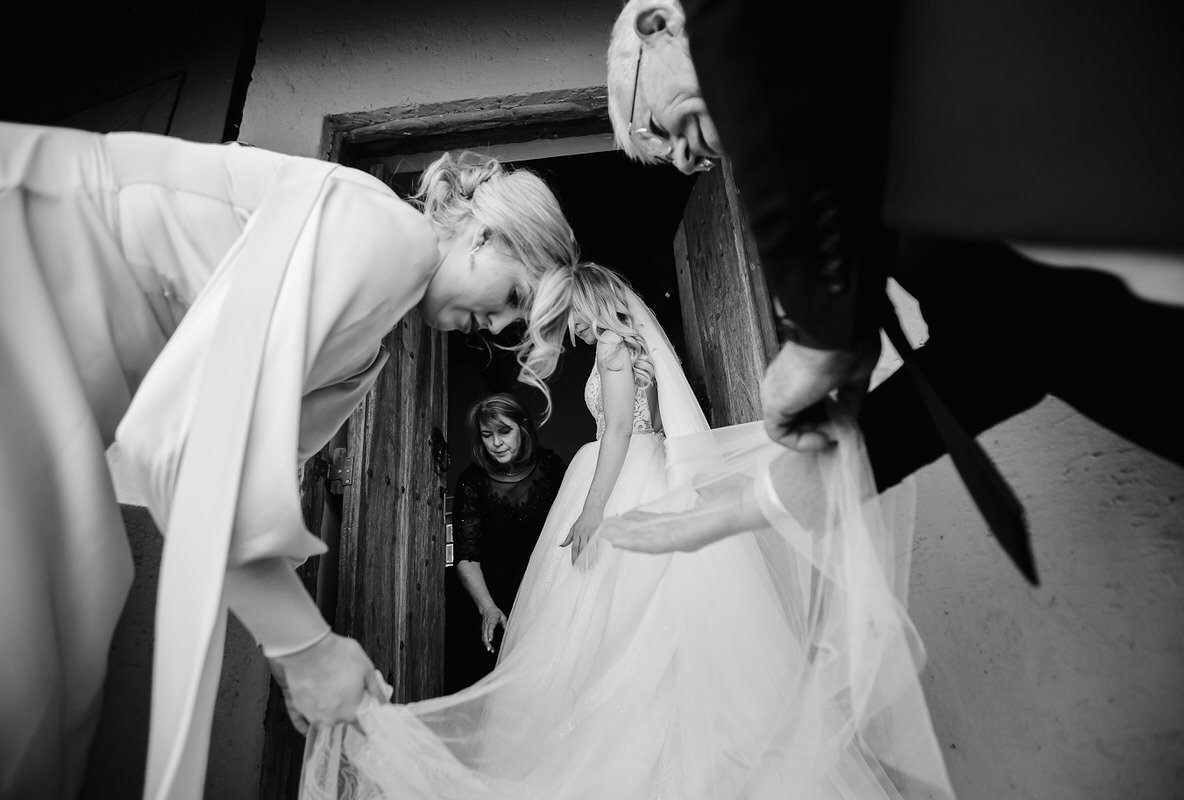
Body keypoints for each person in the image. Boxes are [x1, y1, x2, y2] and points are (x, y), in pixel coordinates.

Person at [0, 120, 578, 800]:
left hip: (59, 346)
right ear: (484, 235)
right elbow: (194, 450)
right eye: (514, 297)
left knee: (67, 616)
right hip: (35, 253)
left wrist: (294, 651)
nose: (504, 327)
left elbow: (237, 465)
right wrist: (305, 647)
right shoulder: (386, 238)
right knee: (45, 647)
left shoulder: (372, 338)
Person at [299, 262, 953, 800]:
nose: (571, 328)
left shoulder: (613, 346)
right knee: (636, 628)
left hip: (625, 473)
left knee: (617, 628)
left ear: (592, 302)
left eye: (573, 314)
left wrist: (592, 510)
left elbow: (616, 431)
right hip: (644, 470)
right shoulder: (627, 346)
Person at [602, 0, 1184, 568]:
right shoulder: (854, 198)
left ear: (664, 25)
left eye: (661, 129)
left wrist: (821, 333)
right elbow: (994, 357)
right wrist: (766, 497)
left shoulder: (872, 52)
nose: (687, 162)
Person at [449, 392, 566, 688]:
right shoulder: (472, 481)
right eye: (487, 435)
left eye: (504, 431)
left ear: (523, 428)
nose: (496, 443)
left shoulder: (550, 467)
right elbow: (466, 557)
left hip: (546, 590)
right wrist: (487, 608)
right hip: (494, 596)